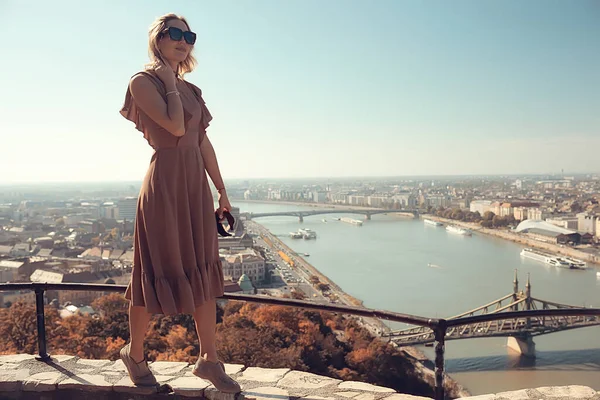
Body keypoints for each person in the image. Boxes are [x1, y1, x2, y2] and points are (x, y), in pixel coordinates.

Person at [118, 13, 240, 393]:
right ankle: (134, 353)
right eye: (175, 34)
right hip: (165, 187)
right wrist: (169, 81)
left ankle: (209, 359)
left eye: (189, 35)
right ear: (157, 38)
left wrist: (221, 190)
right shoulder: (143, 82)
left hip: (194, 188)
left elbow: (201, 142)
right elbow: (173, 128)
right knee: (153, 272)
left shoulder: (193, 91)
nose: (183, 41)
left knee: (203, 271)